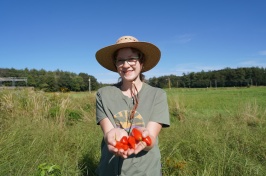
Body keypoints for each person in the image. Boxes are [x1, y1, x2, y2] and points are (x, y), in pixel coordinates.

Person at [95, 35, 170, 176]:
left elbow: (151, 139)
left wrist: (145, 138)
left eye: (131, 59)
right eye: (120, 60)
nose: (126, 64)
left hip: (145, 171)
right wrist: (111, 137)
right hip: (110, 170)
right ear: (116, 64)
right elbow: (108, 133)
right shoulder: (103, 94)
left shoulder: (157, 95)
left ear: (141, 63)